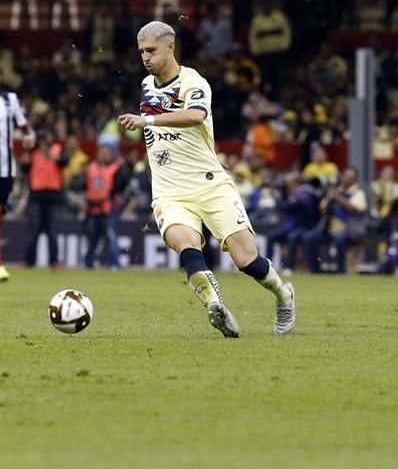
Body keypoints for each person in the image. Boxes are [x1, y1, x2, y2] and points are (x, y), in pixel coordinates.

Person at [117, 21, 295, 338]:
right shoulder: (147, 85)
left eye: (151, 50)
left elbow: (195, 116)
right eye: (141, 51)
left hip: (210, 185)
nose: (145, 57)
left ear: (170, 47)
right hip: (169, 193)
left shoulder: (193, 82)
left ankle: (284, 295)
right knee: (184, 244)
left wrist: (147, 119)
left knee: (246, 259)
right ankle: (216, 307)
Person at [0, 77, 35, 281]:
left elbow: (24, 127)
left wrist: (29, 136)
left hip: (5, 169)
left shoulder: (9, 100)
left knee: (1, 215)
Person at [23, 130, 68, 269]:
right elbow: (24, 167)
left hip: (53, 197)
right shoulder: (33, 153)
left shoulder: (58, 150)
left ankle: (54, 261)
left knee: (53, 231)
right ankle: (29, 261)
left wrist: (50, 155)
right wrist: (27, 150)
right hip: (36, 196)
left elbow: (64, 162)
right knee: (34, 231)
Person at [82, 138, 130, 270]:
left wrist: (123, 166)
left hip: (109, 208)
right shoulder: (90, 167)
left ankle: (114, 264)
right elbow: (84, 185)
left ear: (113, 153)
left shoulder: (117, 169)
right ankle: (88, 263)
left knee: (111, 237)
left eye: (107, 151)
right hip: (92, 209)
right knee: (91, 238)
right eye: (102, 151)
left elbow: (122, 184)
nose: (103, 154)